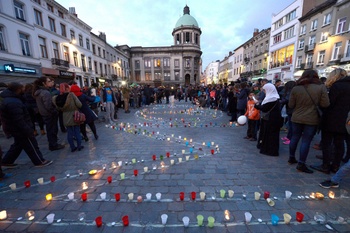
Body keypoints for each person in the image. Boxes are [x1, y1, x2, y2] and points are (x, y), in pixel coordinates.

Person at [0, 82, 52, 167]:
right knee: (31, 145)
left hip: (16, 128)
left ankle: (7, 161)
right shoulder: (13, 102)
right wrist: (27, 129)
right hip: (20, 129)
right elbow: (18, 119)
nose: (24, 90)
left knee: (18, 145)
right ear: (18, 90)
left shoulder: (13, 100)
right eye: (22, 88)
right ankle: (39, 161)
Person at [288, 70, 330, 173]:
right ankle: (301, 164)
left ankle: (291, 157)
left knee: (294, 137)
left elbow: (291, 105)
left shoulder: (296, 88)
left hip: (296, 117)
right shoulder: (321, 88)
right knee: (306, 141)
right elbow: (325, 104)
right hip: (311, 118)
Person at [311, 68, 350, 174]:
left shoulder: (336, 86)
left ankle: (326, 165)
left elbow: (328, 104)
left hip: (331, 119)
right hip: (345, 120)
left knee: (327, 143)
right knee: (339, 144)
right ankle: (336, 165)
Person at [33, 77, 64, 151]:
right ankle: (53, 145)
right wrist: (54, 111)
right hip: (49, 114)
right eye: (49, 81)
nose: (51, 82)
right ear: (44, 83)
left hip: (45, 114)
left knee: (50, 130)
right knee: (52, 130)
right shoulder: (45, 93)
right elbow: (48, 105)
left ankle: (53, 144)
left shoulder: (39, 92)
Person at [53, 83, 83, 152]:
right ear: (67, 88)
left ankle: (72, 147)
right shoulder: (71, 95)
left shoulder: (56, 98)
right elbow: (79, 104)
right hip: (74, 115)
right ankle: (79, 146)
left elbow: (58, 108)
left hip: (65, 116)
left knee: (69, 133)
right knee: (77, 131)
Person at [254, 83, 282, 156]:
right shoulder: (275, 97)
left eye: (265, 90)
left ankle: (269, 149)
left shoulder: (271, 98)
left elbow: (264, 108)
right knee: (270, 135)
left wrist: (256, 105)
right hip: (273, 119)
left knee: (269, 135)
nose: (264, 92)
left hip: (270, 120)